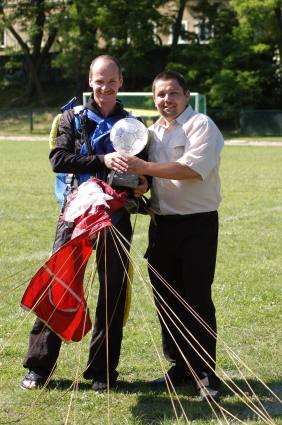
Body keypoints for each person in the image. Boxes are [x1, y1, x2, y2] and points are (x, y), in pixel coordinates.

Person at [21, 55, 148, 392]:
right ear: (90, 81)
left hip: (116, 216)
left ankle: (103, 372)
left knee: (113, 294)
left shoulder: (134, 123)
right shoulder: (71, 118)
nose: (105, 87)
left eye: (111, 81)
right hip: (75, 215)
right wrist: (101, 159)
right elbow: (58, 159)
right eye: (99, 80)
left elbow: (144, 170)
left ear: (121, 82)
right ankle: (39, 368)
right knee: (59, 286)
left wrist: (142, 184)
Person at [126, 71, 224, 402]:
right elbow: (150, 181)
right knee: (167, 303)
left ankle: (205, 374)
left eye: (173, 94)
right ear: (153, 98)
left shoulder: (202, 126)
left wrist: (144, 168)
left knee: (196, 299)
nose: (166, 100)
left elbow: (192, 169)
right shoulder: (151, 134)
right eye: (160, 95)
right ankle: (179, 369)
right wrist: (139, 184)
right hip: (162, 226)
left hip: (197, 225)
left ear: (186, 94)